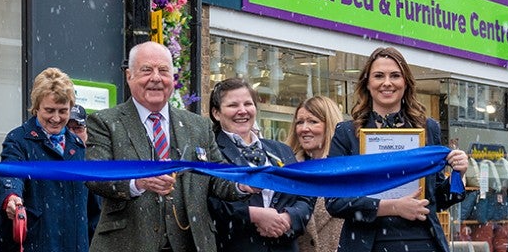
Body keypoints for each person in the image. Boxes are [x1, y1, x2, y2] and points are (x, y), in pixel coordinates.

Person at [86, 41, 249, 252]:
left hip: (191, 244)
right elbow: (95, 176)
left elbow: (216, 178)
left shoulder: (198, 125)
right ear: (129, 76)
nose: (156, 78)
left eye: (163, 70)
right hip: (127, 244)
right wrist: (137, 182)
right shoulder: (105, 121)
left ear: (172, 78)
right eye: (146, 70)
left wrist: (243, 184)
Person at [326, 46, 469, 252]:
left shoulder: (428, 129)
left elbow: (436, 199)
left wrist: (458, 174)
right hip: (366, 244)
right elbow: (334, 201)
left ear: (405, 83)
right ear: (367, 83)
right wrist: (392, 207)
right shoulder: (346, 133)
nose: (387, 82)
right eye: (378, 76)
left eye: (395, 75)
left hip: (422, 241)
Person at [207, 78, 312, 252]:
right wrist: (253, 216)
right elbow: (210, 203)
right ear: (217, 113)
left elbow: (305, 196)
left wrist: (287, 218)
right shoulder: (210, 151)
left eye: (248, 104)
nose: (242, 111)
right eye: (233, 105)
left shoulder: (281, 150)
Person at [0, 68, 89, 252]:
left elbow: (92, 209)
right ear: (36, 107)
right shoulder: (18, 139)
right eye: (49, 110)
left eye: (63, 111)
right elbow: (11, 172)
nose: (56, 118)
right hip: (38, 243)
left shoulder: (78, 146)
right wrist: (12, 197)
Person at [286, 96, 345, 252]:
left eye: (313, 121)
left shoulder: (347, 171)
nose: (304, 128)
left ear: (330, 125)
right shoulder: (286, 170)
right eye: (299, 122)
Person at [68, 104, 103, 243]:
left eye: (77, 128)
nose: (72, 133)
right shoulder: (53, 160)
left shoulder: (97, 159)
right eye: (67, 128)